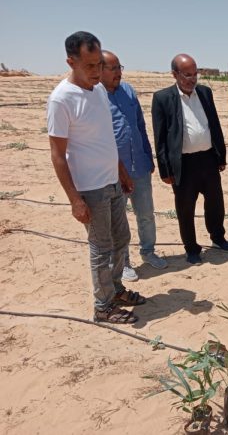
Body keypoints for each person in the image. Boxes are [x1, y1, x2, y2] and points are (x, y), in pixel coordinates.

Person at [47, 31, 146, 324]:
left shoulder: (99, 90)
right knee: (101, 247)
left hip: (112, 182)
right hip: (90, 189)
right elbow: (57, 155)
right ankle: (102, 307)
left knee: (122, 239)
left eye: (99, 65)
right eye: (89, 66)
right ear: (71, 61)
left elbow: (106, 139)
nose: (97, 72)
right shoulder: (61, 99)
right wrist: (75, 200)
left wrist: (122, 173)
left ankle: (115, 290)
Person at [151, 54, 228, 264]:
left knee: (215, 202)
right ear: (175, 74)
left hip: (208, 159)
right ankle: (192, 248)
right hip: (183, 164)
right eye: (187, 74)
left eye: (195, 73)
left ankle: (218, 237)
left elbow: (213, 125)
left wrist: (220, 155)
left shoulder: (205, 93)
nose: (192, 79)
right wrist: (165, 170)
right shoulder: (162, 98)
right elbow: (160, 138)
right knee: (185, 208)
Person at [100, 50, 167, 281]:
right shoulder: (96, 96)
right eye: (113, 68)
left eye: (120, 67)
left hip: (139, 165)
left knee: (146, 213)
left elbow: (140, 125)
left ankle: (148, 251)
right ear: (100, 70)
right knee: (118, 221)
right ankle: (124, 263)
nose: (118, 72)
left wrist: (148, 156)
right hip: (114, 171)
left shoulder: (128, 91)